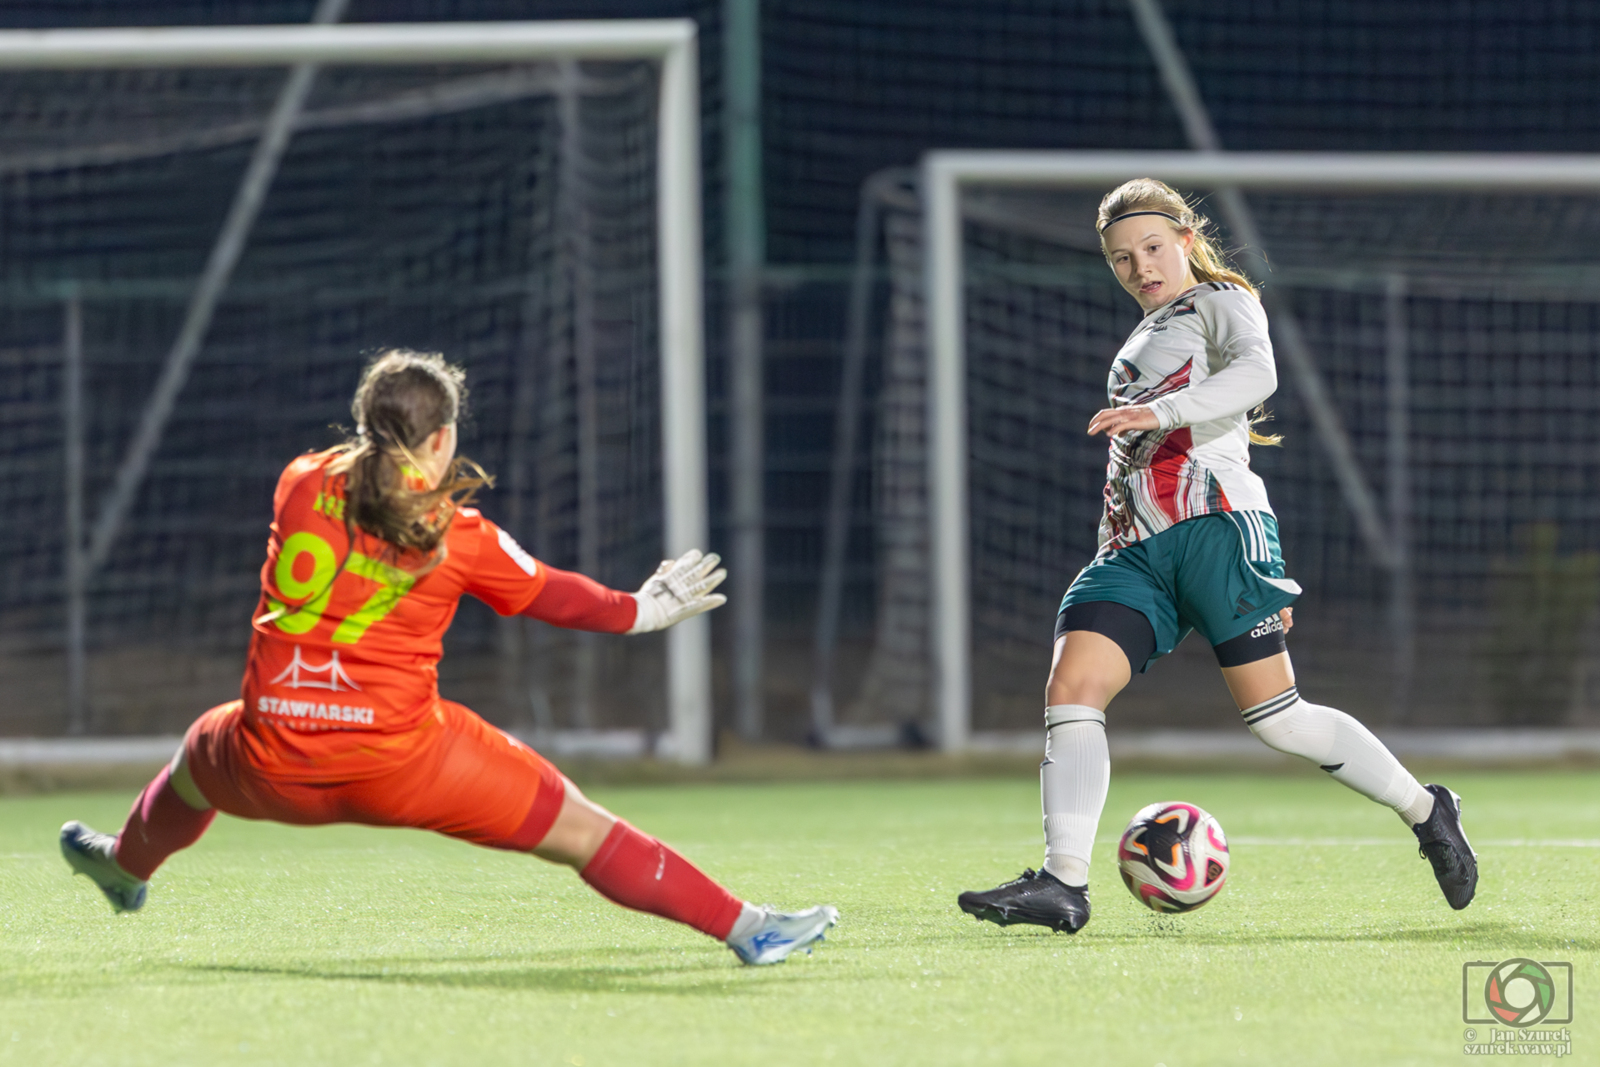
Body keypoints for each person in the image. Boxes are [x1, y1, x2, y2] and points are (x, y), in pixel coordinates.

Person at [60, 349, 836, 966]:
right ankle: (749, 929)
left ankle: (127, 866)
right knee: (584, 831)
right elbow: (557, 595)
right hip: (408, 766)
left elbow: (348, 475)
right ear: (442, 440)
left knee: (197, 759)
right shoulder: (459, 533)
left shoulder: (298, 482)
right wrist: (645, 609)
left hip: (273, 761)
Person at [956, 179, 1476, 934]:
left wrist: (1161, 411)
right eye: (1122, 257)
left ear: (1188, 239)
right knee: (1072, 685)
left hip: (1217, 528)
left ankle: (1428, 809)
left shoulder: (1223, 303)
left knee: (1279, 719)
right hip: (1134, 551)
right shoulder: (1142, 337)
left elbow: (1258, 377)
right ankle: (1063, 883)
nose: (1141, 266)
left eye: (1153, 248)